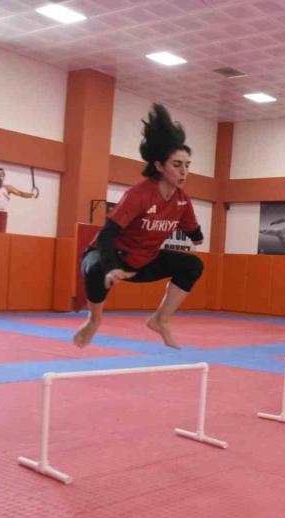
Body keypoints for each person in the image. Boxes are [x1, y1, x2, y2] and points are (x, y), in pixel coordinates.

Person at [72, 104, 204, 350]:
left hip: (143, 262)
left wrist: (197, 236)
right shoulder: (140, 194)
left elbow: (192, 229)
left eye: (187, 165)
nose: (184, 171)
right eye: (177, 165)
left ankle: (160, 320)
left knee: (193, 264)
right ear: (159, 166)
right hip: (111, 254)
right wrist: (112, 266)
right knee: (95, 268)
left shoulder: (182, 200)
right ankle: (94, 320)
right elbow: (108, 233)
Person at [0, 168, 36, 233]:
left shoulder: (8, 188)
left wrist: (33, 195)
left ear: (3, 177)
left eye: (0, 174)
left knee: (1, 236)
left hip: (2, 214)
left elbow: (20, 193)